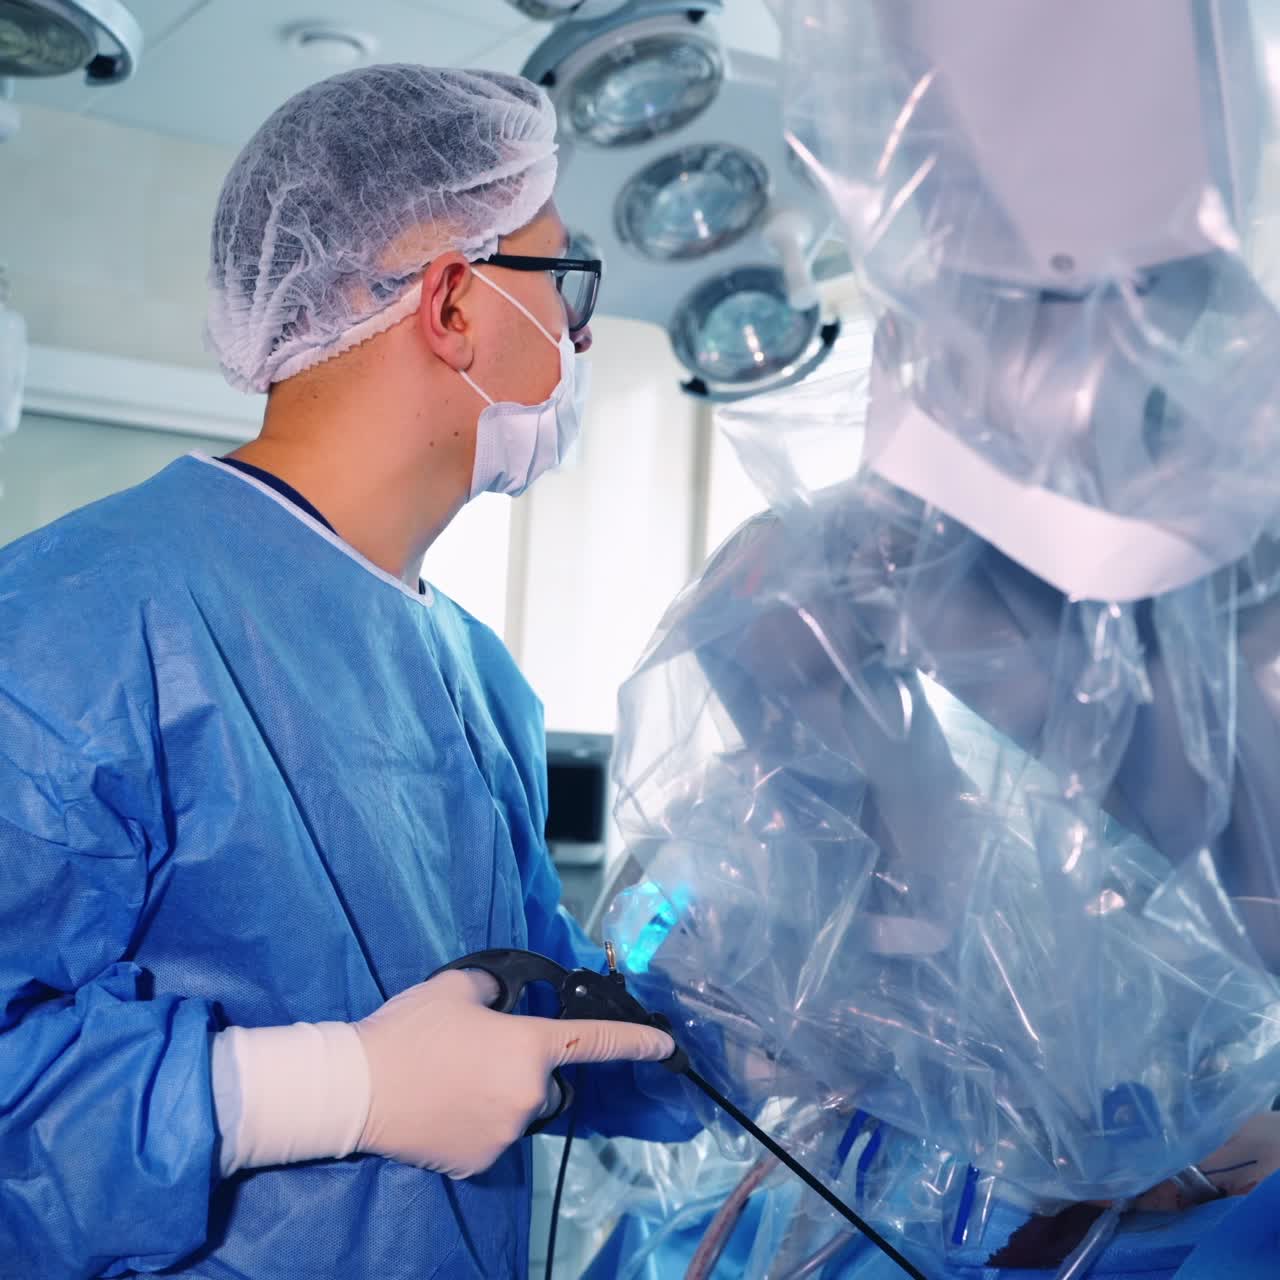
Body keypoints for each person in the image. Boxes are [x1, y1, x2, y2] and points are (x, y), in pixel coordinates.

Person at [0, 65, 694, 1280]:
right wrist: (339, 1086)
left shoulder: (473, 672)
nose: (581, 335)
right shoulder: (80, 621)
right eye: (561, 280)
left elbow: (526, 1025)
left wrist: (787, 984)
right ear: (452, 304)